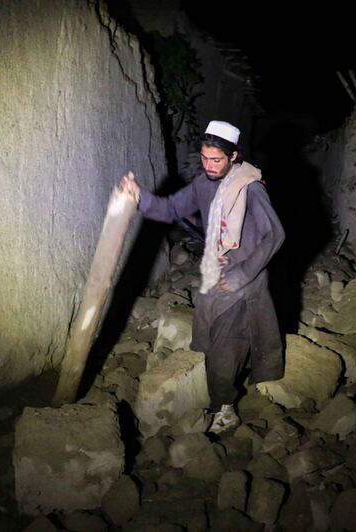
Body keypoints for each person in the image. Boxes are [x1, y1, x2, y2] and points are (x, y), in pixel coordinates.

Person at [119, 120, 285, 433]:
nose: (209, 165)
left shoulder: (250, 188)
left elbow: (275, 235)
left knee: (225, 345)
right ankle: (214, 382)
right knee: (204, 335)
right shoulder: (203, 183)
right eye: (205, 158)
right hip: (214, 274)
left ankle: (225, 409)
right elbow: (170, 209)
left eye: (216, 160)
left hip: (242, 281)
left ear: (233, 156)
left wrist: (241, 275)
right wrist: (140, 195)